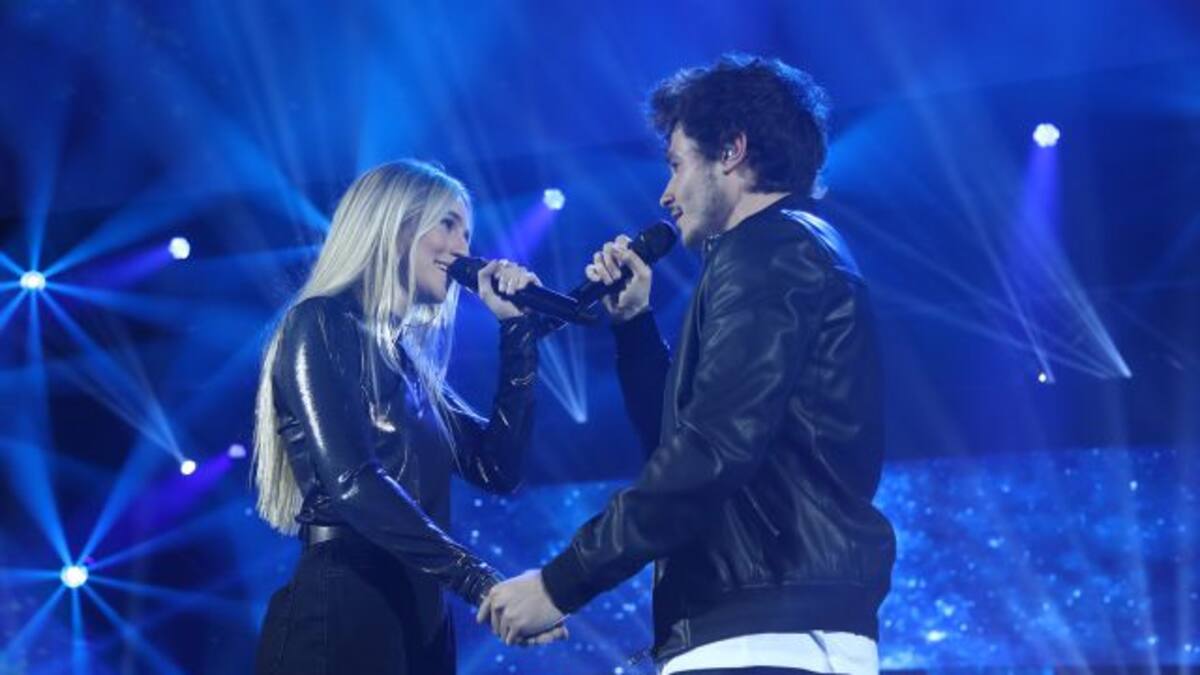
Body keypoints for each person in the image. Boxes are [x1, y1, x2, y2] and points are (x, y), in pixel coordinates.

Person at [481, 54, 897, 674]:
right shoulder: (775, 252)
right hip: (756, 626)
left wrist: (559, 583)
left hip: (768, 636)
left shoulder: (772, 250)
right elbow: (684, 445)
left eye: (676, 164)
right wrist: (635, 327)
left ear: (731, 151)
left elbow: (711, 451)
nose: (666, 193)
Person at [251, 159, 564, 675]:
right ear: (393, 226)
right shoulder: (321, 322)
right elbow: (354, 481)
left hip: (423, 614)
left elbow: (497, 468)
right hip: (345, 604)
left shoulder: (409, 365)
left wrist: (517, 334)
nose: (463, 248)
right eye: (447, 224)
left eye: (467, 232)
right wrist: (478, 581)